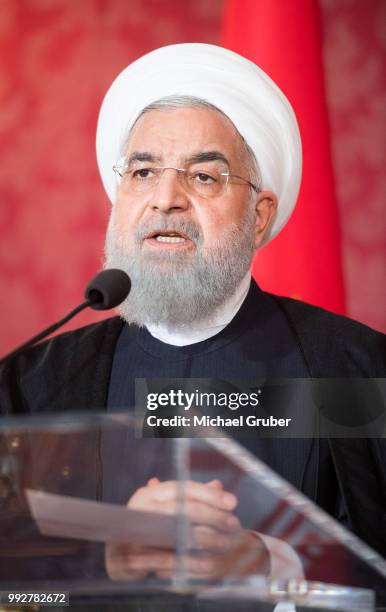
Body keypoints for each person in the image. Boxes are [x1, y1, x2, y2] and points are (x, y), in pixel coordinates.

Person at [0, 44, 385, 589]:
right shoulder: (33, 382)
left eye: (204, 177)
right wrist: (103, 560)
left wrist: (271, 564)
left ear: (259, 215)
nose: (165, 198)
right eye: (143, 171)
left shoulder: (359, 369)